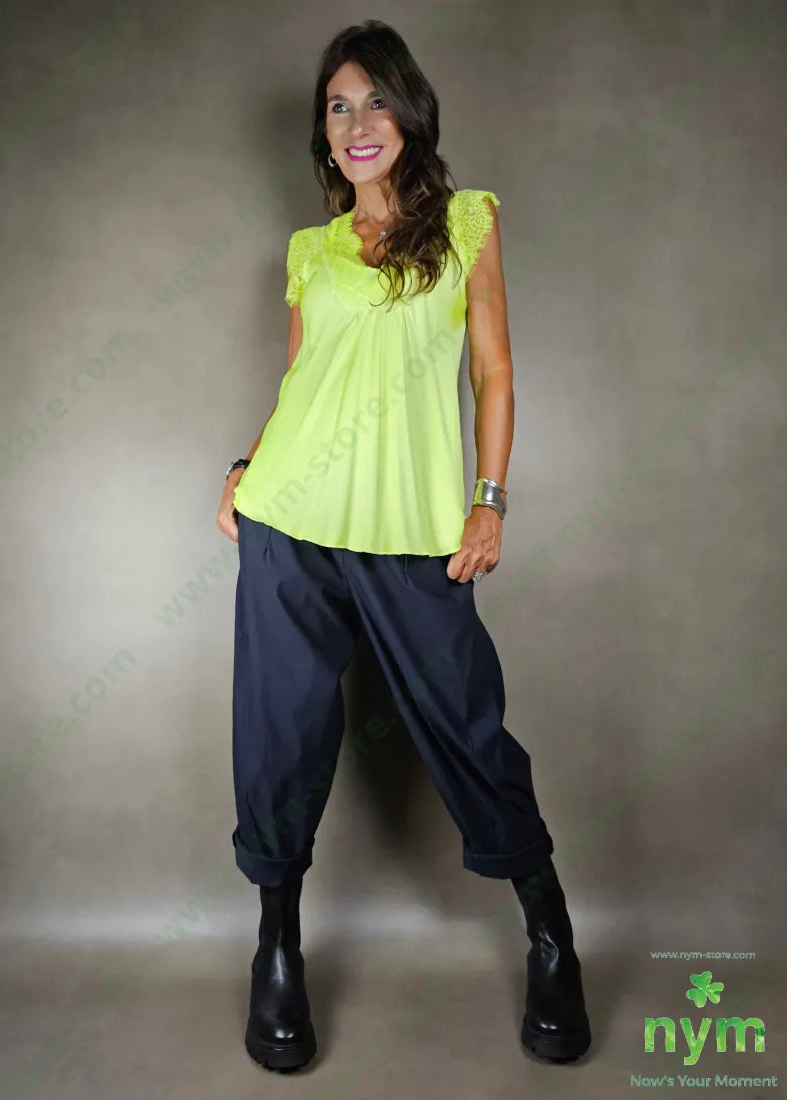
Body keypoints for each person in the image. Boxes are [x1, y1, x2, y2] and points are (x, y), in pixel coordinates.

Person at [215, 18, 591, 1074]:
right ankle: (277, 945)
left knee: (468, 728)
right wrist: (245, 467)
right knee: (279, 736)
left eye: (374, 99)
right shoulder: (310, 253)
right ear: (323, 134)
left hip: (414, 535)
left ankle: (551, 931)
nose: (357, 122)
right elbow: (303, 384)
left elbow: (494, 370)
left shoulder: (468, 222)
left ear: (410, 112)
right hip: (290, 526)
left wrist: (489, 500)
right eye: (338, 107)